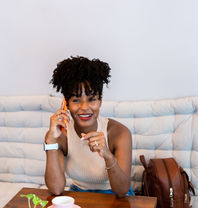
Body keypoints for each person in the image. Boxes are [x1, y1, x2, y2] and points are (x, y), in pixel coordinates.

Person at [44, 56, 134, 198]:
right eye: (76, 100)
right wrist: (50, 142)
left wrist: (108, 156)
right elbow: (56, 189)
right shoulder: (60, 134)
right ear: (66, 104)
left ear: (100, 101)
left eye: (92, 99)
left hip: (115, 198)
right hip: (79, 196)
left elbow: (122, 190)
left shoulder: (119, 133)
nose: (84, 107)